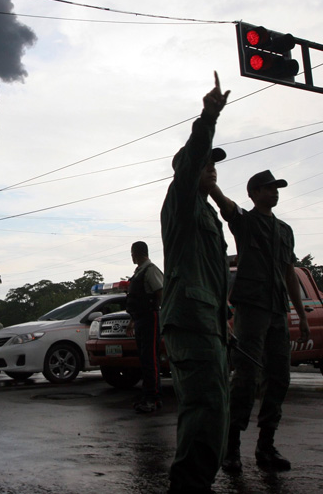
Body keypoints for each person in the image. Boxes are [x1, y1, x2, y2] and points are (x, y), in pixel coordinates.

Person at [159, 72, 231, 494]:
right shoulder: (182, 202)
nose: (212, 169)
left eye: (215, 164)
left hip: (209, 324)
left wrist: (226, 321)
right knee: (205, 408)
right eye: (206, 164)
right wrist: (208, 117)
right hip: (190, 321)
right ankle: (188, 486)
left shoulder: (209, 215)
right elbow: (188, 168)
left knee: (213, 408)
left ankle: (195, 482)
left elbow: (215, 277)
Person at [212, 170, 311, 473]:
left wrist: (302, 315)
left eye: (277, 188)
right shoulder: (246, 222)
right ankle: (231, 449)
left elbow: (289, 275)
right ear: (253, 194)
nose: (274, 192)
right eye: (268, 189)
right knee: (246, 377)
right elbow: (226, 207)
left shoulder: (285, 231)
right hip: (252, 309)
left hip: (278, 311)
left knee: (279, 378)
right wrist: (211, 184)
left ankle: (265, 447)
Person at [126, 241, 164, 413]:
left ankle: (153, 398)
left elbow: (161, 293)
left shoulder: (150, 270)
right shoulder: (139, 272)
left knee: (150, 358)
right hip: (140, 319)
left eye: (132, 253)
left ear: (137, 253)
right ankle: (147, 395)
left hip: (150, 317)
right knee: (144, 358)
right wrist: (132, 322)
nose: (131, 256)